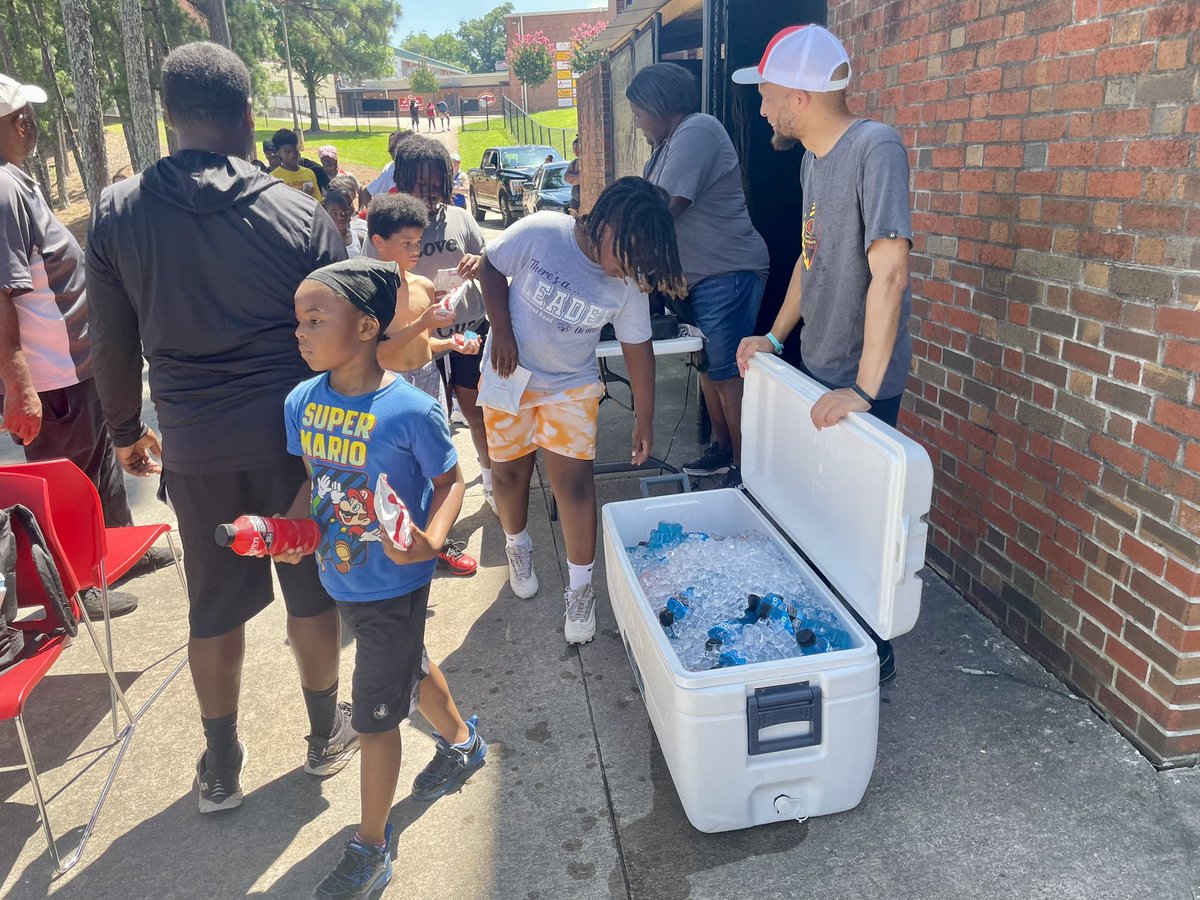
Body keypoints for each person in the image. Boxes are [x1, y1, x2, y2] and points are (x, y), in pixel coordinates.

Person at [86, 42, 353, 813]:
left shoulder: (118, 213)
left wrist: (128, 429)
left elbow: (110, 340)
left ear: (168, 119)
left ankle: (222, 762)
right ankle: (322, 735)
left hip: (196, 447)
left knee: (213, 607)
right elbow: (340, 344)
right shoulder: (298, 213)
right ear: (245, 119)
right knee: (310, 591)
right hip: (296, 444)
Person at [283, 258, 487, 899]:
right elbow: (313, 481)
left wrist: (430, 539)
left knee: (374, 721)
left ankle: (371, 847)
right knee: (405, 661)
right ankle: (460, 741)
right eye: (298, 321)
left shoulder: (411, 411)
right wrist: (290, 531)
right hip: (341, 575)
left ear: (368, 325)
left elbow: (451, 481)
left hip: (395, 580)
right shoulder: (301, 402)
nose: (302, 332)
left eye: (318, 320)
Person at [732, 25, 913, 684]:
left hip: (861, 383)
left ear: (801, 93)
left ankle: (873, 659)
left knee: (860, 524)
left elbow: (889, 272)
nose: (761, 108)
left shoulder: (875, 149)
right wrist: (775, 338)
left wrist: (863, 392)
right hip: (819, 366)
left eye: (767, 94)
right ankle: (834, 643)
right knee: (820, 512)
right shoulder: (811, 159)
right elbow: (810, 263)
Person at [480, 177, 685, 644]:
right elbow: (491, 268)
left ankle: (580, 590)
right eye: (627, 256)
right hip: (509, 372)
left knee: (573, 484)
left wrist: (644, 417)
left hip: (571, 386)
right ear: (608, 224)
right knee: (509, 475)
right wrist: (503, 330)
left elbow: (638, 346)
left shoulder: (628, 282)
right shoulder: (544, 231)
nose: (626, 271)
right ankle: (517, 544)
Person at [0, 74, 171, 621]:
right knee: (65, 480)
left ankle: (113, 555)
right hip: (52, 379)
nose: (30, 123)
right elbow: (3, 292)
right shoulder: (1, 188)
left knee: (101, 469)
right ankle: (75, 584)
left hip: (80, 365)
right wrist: (20, 385)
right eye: (21, 114)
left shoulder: (16, 181)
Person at [627, 63, 770, 489]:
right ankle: (723, 452)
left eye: (638, 113)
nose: (637, 123)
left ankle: (747, 476)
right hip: (700, 279)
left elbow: (663, 208)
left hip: (727, 272)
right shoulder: (665, 146)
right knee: (709, 367)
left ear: (657, 104)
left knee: (726, 371)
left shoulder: (698, 130)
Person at [374, 137, 493, 517]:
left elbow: (492, 260)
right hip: (416, 343)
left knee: (476, 412)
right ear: (403, 179)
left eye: (434, 184)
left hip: (466, 329)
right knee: (428, 424)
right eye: (419, 185)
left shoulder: (459, 217)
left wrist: (479, 261)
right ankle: (430, 497)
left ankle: (489, 479)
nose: (427, 193)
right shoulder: (392, 222)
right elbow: (371, 280)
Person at [365, 193, 477, 577]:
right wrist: (423, 324)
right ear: (379, 242)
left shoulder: (423, 286)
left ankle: (436, 542)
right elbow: (375, 355)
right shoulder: (366, 293)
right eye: (407, 244)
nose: (417, 251)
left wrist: (452, 342)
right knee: (396, 471)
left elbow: (421, 344)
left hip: (428, 379)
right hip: (390, 390)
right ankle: (394, 544)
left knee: (439, 468)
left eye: (418, 242)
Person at [271, 127, 323, 201]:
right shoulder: (273, 178)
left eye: (295, 150)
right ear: (279, 153)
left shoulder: (309, 173)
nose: (293, 155)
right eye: (287, 152)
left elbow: (318, 201)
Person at [361, 130, 409, 208]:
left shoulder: (418, 170)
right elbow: (365, 194)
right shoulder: (390, 173)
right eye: (392, 150)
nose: (393, 153)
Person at [324, 186, 365, 258]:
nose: (340, 217)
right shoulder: (319, 241)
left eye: (344, 211)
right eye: (335, 213)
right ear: (326, 213)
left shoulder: (359, 240)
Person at [564, 136, 581, 216]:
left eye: (577, 148)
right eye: (574, 148)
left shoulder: (585, 162)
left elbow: (583, 178)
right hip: (574, 199)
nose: (575, 150)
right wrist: (578, 178)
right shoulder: (573, 163)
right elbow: (566, 177)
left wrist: (575, 178)